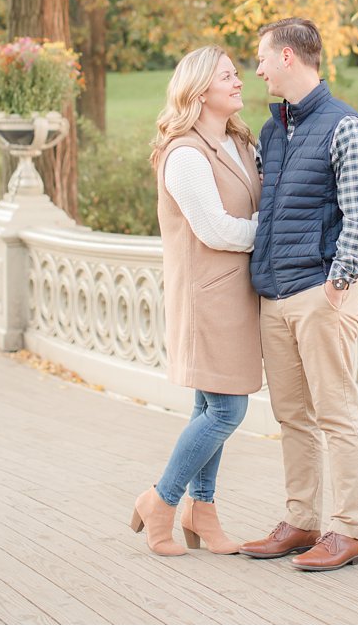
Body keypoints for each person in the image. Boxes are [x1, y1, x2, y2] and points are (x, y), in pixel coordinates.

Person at [238, 17, 358, 573]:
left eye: (262, 57)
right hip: (274, 296)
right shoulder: (274, 133)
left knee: (335, 413)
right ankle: (302, 521)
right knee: (292, 415)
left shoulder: (347, 128)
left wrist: (338, 285)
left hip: (321, 293)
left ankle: (347, 531)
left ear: (289, 58)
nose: (257, 68)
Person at [130, 45, 263, 557]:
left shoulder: (237, 143)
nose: (239, 82)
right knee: (227, 410)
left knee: (209, 405)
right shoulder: (185, 153)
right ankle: (160, 500)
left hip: (237, 295)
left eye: (236, 74)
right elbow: (214, 229)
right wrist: (271, 236)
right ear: (200, 89)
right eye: (227, 76)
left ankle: (201, 510)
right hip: (206, 299)